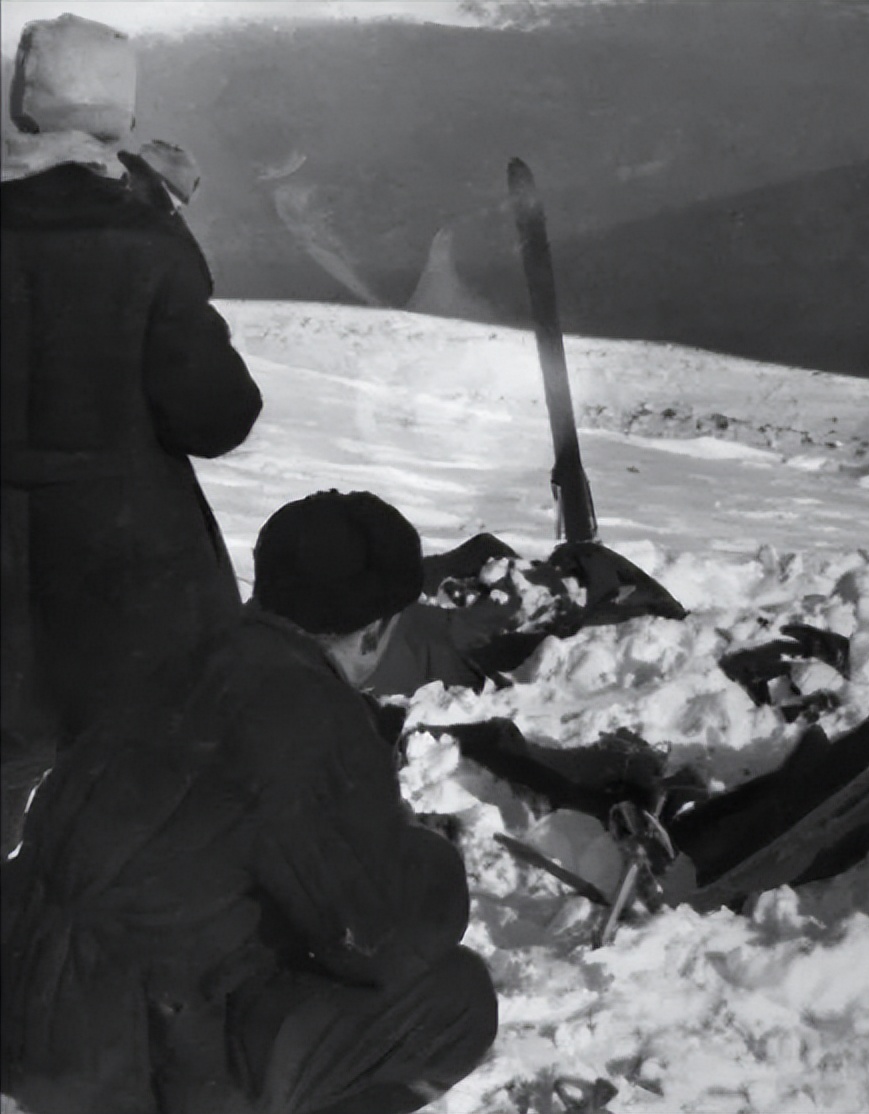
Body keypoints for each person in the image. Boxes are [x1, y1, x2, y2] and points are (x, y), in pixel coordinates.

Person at [0, 490, 498, 1114]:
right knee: (455, 1000)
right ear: (374, 632)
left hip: (22, 984)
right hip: (118, 1056)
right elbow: (380, 941)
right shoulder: (304, 712)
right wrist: (434, 855)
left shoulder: (179, 657)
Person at [1, 15, 262, 850]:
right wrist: (163, 217)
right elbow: (218, 417)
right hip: (125, 573)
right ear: (122, 114)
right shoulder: (145, 237)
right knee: (125, 808)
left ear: (22, 100)